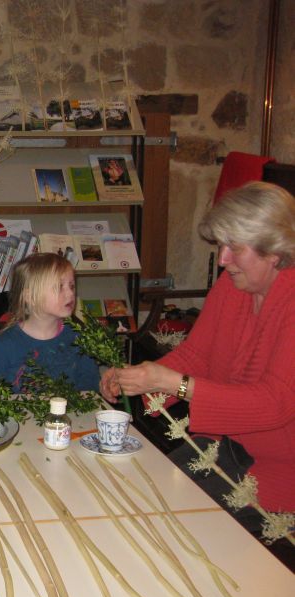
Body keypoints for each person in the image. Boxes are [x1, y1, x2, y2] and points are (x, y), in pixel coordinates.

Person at [100, 181, 295, 563]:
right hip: (227, 447)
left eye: (233, 248)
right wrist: (142, 375)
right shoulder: (232, 286)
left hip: (278, 469)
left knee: (167, 529)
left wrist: (169, 382)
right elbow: (197, 356)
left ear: (273, 251)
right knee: (137, 499)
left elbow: (276, 405)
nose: (222, 259)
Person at [0, 253, 100, 392]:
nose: (70, 293)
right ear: (30, 296)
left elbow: (90, 387)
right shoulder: (3, 346)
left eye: (71, 286)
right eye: (59, 287)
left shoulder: (79, 339)